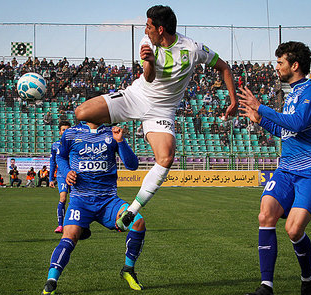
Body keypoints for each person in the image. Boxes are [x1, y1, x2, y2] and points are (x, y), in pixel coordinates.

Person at [74, 5, 237, 230]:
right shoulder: (147, 41)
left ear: (160, 29)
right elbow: (148, 78)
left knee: (166, 157)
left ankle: (131, 211)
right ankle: (109, 136)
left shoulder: (192, 49)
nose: (145, 29)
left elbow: (224, 67)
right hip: (135, 96)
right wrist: (149, 60)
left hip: (162, 111)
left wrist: (234, 100)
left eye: (149, 26)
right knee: (81, 113)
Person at [237, 41, 311, 295]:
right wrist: (262, 121)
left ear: (295, 65)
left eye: (280, 62)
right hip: (287, 168)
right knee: (265, 212)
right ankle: (266, 287)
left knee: (293, 230)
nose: (276, 66)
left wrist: (262, 108)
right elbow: (287, 131)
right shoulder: (291, 94)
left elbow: (299, 122)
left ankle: (308, 278)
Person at [42, 122, 145, 295]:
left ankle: (128, 270)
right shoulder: (70, 134)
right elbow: (60, 157)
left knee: (138, 222)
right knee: (69, 236)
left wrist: (121, 141)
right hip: (80, 200)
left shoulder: (112, 133)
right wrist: (66, 171)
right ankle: (51, 281)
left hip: (108, 200)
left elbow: (132, 165)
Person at [49, 121, 71, 233]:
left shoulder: (75, 143)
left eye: (68, 129)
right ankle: (60, 225)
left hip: (74, 176)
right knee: (63, 198)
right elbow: (52, 162)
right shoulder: (55, 145)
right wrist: (50, 179)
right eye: (63, 129)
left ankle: (75, 224)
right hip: (62, 175)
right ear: (60, 131)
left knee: (75, 200)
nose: (65, 132)